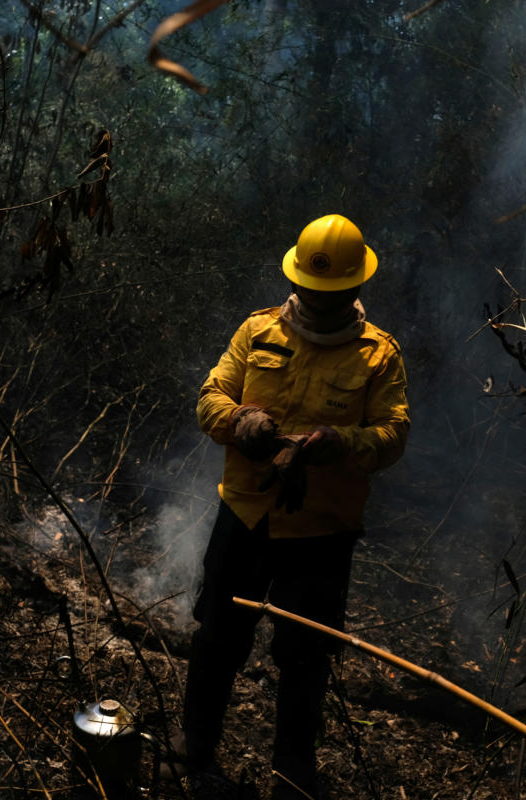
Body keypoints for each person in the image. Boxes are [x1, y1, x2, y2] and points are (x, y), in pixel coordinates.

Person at [171, 214, 410, 799]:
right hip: (246, 514)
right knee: (217, 637)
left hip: (322, 534)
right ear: (297, 280)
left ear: (356, 288)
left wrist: (335, 446)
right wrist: (241, 421)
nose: (320, 302)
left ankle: (292, 772)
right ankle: (195, 745)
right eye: (312, 290)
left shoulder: (378, 356)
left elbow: (393, 436)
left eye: (333, 293)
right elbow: (210, 398)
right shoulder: (258, 333)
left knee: (305, 657)